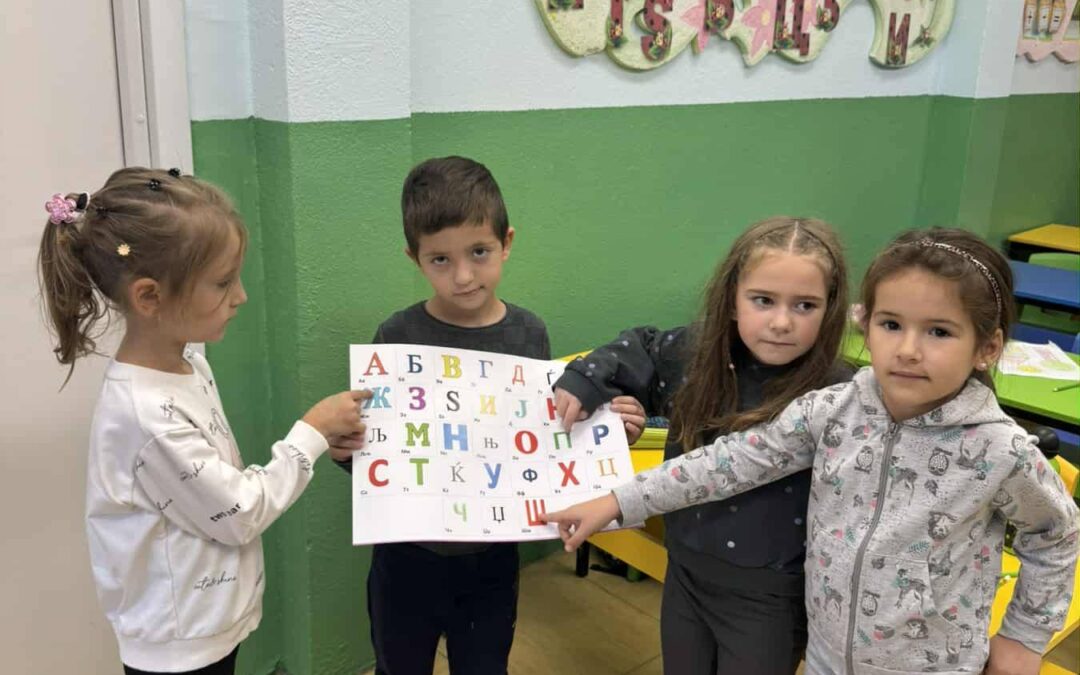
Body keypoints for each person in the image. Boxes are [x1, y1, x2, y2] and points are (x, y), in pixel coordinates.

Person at [545, 228, 1080, 675]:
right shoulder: (832, 409)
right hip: (827, 659)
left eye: (939, 331)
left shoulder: (1000, 449)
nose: (908, 349)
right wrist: (617, 501)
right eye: (891, 325)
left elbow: (1056, 535)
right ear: (865, 324)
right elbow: (728, 462)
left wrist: (1023, 638)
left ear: (987, 347)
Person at [38, 168, 369, 675]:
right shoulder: (144, 414)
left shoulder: (189, 363)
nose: (240, 296)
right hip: (178, 646)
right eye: (222, 282)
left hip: (206, 621)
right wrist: (312, 433)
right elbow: (238, 512)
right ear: (150, 297)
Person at [553, 217, 850, 674]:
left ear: (830, 310)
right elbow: (639, 348)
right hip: (685, 571)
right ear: (732, 299)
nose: (781, 322)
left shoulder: (840, 392)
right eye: (763, 300)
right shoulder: (695, 352)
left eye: (805, 305)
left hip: (771, 597)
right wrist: (587, 382)